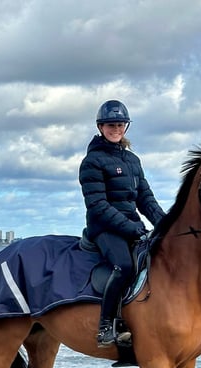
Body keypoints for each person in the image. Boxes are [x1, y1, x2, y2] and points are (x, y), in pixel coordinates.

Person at [79, 100, 166, 347]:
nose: (115, 129)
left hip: (131, 225)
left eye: (119, 124)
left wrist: (164, 224)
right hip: (104, 228)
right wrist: (132, 228)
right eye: (110, 125)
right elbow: (98, 205)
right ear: (100, 127)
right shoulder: (92, 161)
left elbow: (145, 198)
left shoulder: (133, 160)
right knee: (124, 266)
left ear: (125, 127)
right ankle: (106, 327)